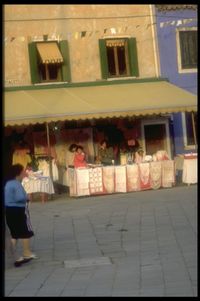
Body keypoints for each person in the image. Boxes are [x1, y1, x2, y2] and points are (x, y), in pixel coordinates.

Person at [4, 164, 38, 267]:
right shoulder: (16, 184)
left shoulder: (8, 183)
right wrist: (26, 197)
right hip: (19, 210)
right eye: (23, 171)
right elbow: (19, 197)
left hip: (9, 210)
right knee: (25, 231)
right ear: (18, 173)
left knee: (14, 233)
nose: (24, 173)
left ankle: (12, 254)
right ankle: (27, 253)